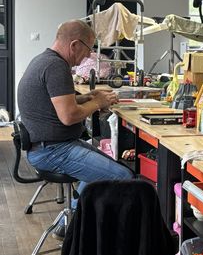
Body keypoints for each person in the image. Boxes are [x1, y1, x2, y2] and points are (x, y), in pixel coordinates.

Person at [17, 19, 133, 238]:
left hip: (49, 146)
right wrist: (98, 103)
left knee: (106, 166)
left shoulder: (43, 60)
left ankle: (67, 224)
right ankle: (115, 240)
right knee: (124, 177)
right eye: (88, 50)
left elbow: (62, 102)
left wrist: (89, 96)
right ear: (74, 45)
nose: (88, 57)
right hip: (52, 150)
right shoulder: (56, 67)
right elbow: (69, 116)